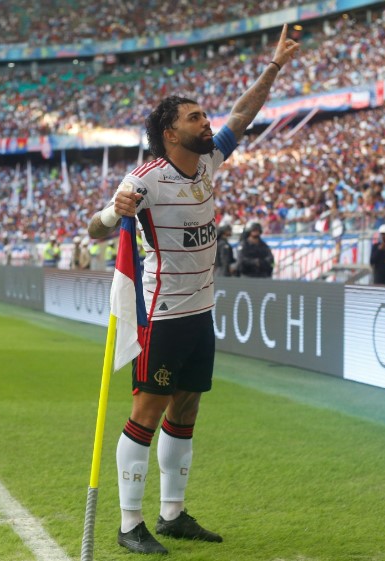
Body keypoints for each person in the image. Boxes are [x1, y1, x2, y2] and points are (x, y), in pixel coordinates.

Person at [86, 24, 300, 555]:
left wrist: (273, 67)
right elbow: (94, 228)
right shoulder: (144, 179)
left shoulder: (209, 160)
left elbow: (243, 116)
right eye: (195, 117)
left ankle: (172, 515)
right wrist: (116, 211)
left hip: (201, 311)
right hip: (162, 316)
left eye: (205, 115)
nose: (207, 123)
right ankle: (130, 523)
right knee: (148, 412)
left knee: (186, 412)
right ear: (169, 133)